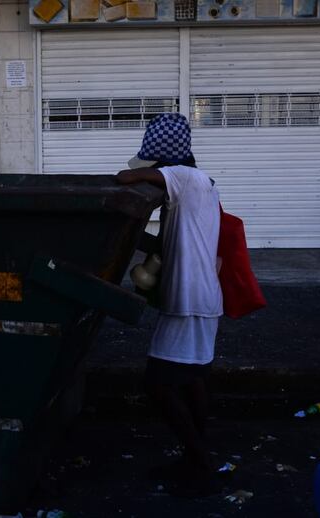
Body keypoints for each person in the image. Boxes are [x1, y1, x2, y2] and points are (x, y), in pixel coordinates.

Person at [115, 112, 223, 496]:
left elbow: (127, 179)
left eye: (153, 161)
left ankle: (200, 462)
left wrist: (138, 175)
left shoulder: (182, 176)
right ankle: (197, 459)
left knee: (158, 383)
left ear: (161, 158)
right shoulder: (203, 185)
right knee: (192, 377)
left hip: (189, 298)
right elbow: (168, 245)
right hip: (203, 295)